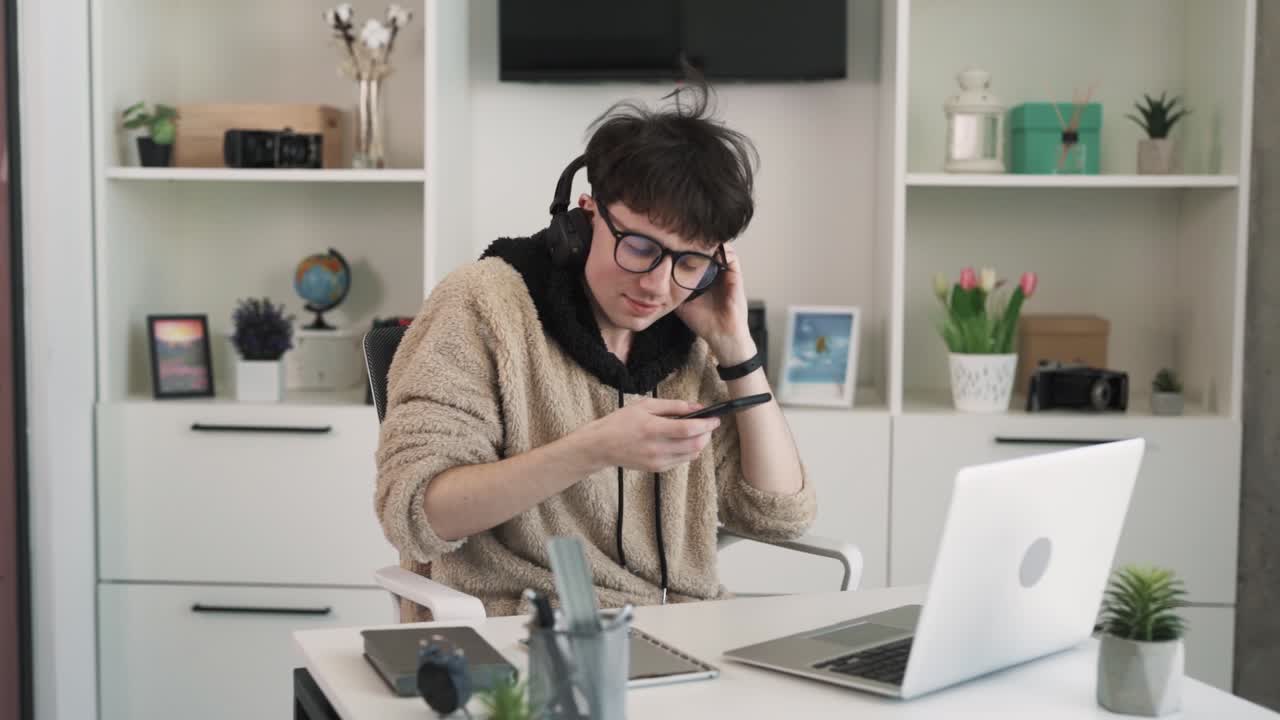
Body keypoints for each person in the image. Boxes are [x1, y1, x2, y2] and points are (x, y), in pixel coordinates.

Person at [374, 80, 814, 620]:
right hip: (528, 634)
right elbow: (417, 512)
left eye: (690, 262)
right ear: (584, 218)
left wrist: (734, 346)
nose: (657, 284)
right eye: (640, 247)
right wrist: (591, 450)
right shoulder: (484, 306)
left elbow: (778, 514)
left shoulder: (688, 339)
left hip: (684, 629)